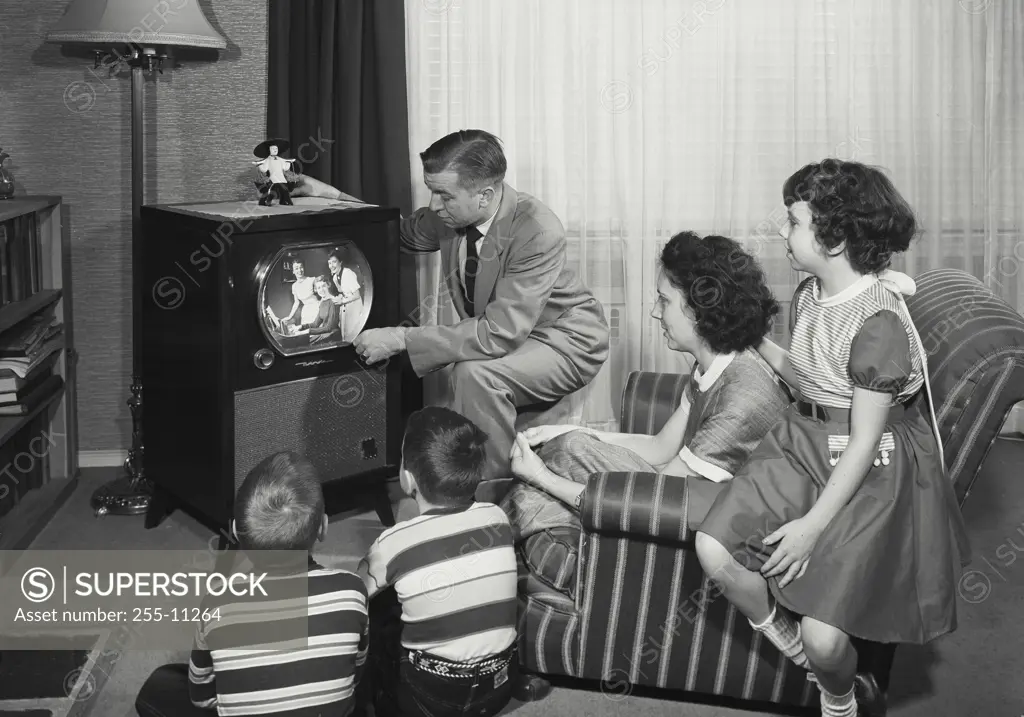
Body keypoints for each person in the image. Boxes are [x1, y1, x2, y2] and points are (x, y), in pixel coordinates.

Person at [693, 160, 972, 717]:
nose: (782, 232)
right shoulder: (810, 294)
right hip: (808, 438)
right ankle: (793, 647)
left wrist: (810, 528)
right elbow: (814, 379)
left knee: (828, 639)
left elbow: (865, 441)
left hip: (872, 465)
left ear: (836, 237)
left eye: (793, 221)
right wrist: (754, 342)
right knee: (712, 548)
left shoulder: (879, 324)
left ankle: (839, 698)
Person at [290, 130, 610, 499]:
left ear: (485, 195)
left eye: (444, 195)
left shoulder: (536, 230)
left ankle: (492, 503)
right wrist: (332, 198)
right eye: (432, 191)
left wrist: (401, 338)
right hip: (516, 332)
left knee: (475, 375)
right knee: (472, 374)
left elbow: (499, 333)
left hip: (566, 338)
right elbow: (394, 234)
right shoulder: (450, 214)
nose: (434, 205)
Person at [505, 231, 791, 598]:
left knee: (559, 460)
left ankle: (493, 543)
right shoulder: (714, 365)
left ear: (700, 310)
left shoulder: (743, 394)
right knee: (569, 443)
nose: (655, 311)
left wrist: (545, 477)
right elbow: (658, 448)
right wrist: (563, 430)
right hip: (676, 497)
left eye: (664, 300)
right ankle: (500, 538)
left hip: (697, 527)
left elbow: (660, 500)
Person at [134, 452, 369, 717]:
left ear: (235, 532)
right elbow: (356, 675)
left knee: (159, 685)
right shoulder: (352, 591)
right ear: (323, 528)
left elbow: (201, 698)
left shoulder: (218, 603)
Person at [357, 406, 519, 717]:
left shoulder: (393, 542)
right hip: (500, 687)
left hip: (431, 699)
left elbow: (356, 592)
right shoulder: (497, 518)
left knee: (377, 611)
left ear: (407, 478)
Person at [327, 251, 365, 341]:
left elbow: (357, 294)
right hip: (346, 307)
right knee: (346, 334)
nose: (331, 265)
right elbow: (342, 291)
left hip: (355, 306)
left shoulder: (348, 273)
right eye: (329, 263)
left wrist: (342, 301)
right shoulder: (335, 277)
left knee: (355, 334)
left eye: (334, 262)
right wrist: (339, 297)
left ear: (340, 262)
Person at [252, 139, 296, 206]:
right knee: (272, 191)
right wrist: (259, 164)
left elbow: (285, 167)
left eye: (276, 148)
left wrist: (289, 162)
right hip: (274, 178)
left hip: (281, 177)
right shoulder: (267, 160)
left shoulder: (280, 159)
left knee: (285, 190)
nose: (275, 150)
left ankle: (284, 201)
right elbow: (264, 169)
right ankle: (265, 201)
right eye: (273, 149)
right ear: (269, 150)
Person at [301, 275, 343, 343]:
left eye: (323, 286)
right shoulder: (322, 303)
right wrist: (301, 327)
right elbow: (315, 324)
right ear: (316, 290)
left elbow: (329, 328)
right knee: (303, 341)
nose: (321, 290)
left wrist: (308, 331)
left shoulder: (334, 301)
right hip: (324, 334)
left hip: (332, 336)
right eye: (319, 288)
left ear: (328, 285)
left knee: (306, 343)